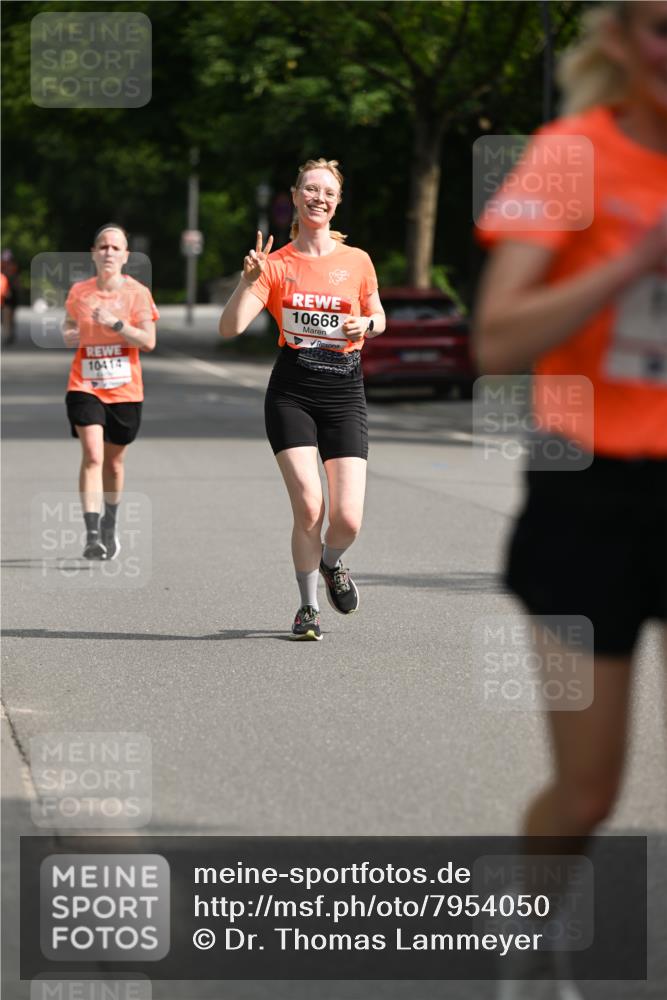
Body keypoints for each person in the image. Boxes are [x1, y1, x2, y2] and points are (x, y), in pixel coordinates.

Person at [475, 2, 666, 997]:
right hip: (588, 484)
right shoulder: (568, 154)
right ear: (625, 43)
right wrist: (635, 261)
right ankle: (529, 934)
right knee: (588, 790)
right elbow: (498, 339)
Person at [220, 158, 385, 639]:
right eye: (310, 189)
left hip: (345, 393)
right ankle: (308, 607)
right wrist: (247, 283)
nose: (319, 197)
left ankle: (334, 562)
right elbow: (230, 329)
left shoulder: (357, 261)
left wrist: (367, 325)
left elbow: (378, 316)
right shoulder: (275, 266)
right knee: (310, 507)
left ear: (337, 202)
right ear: (295, 196)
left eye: (328, 191)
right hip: (291, 392)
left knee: (348, 519)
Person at [63, 224, 159, 559]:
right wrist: (69, 333)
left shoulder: (137, 293)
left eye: (115, 248)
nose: (108, 252)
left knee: (114, 465)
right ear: (93, 252)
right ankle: (92, 536)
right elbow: (69, 323)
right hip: (85, 384)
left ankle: (109, 525)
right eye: (102, 246)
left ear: (125, 256)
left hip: (124, 391)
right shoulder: (80, 292)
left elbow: (148, 341)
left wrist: (116, 323)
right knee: (93, 455)